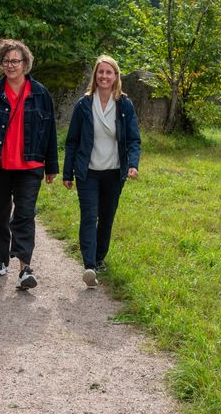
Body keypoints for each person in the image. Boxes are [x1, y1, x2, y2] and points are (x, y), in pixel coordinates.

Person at [0, 39, 58, 290]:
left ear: (25, 63)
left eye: (15, 61)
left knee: (25, 214)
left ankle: (25, 268)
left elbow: (50, 131)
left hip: (30, 165)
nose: (11, 65)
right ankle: (1, 258)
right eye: (6, 61)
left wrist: (52, 166)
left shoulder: (40, 93)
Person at [62, 55, 141, 288]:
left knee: (106, 218)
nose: (104, 76)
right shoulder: (83, 105)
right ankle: (89, 265)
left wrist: (133, 164)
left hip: (115, 173)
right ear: (95, 76)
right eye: (101, 72)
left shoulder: (124, 105)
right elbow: (72, 142)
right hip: (88, 173)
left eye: (109, 72)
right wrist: (68, 173)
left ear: (116, 77)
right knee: (89, 217)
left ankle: (99, 257)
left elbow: (133, 139)